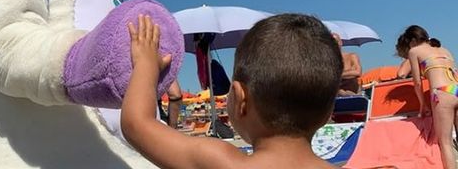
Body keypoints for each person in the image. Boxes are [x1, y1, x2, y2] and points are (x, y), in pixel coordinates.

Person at [121, 13, 343, 169]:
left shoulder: (221, 162)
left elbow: (136, 124)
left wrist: (145, 64)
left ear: (240, 98)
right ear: (328, 110)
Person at [396, 25, 458, 169]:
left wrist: (422, 105)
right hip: (455, 89)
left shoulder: (415, 51)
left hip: (441, 92)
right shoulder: (444, 50)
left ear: (412, 41)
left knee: (445, 143)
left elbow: (417, 83)